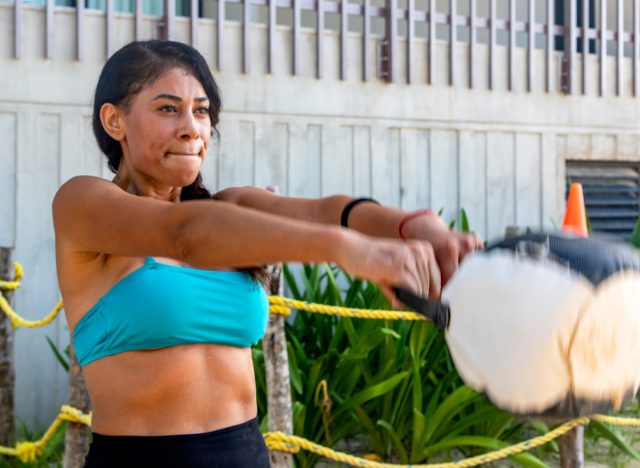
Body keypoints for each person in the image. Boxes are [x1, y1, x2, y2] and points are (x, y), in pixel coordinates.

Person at [52, 40, 482, 467]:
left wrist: (415, 226)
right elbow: (184, 235)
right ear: (114, 120)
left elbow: (327, 212)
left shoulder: (230, 206)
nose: (191, 128)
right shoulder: (83, 203)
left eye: (201, 111)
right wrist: (345, 250)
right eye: (168, 109)